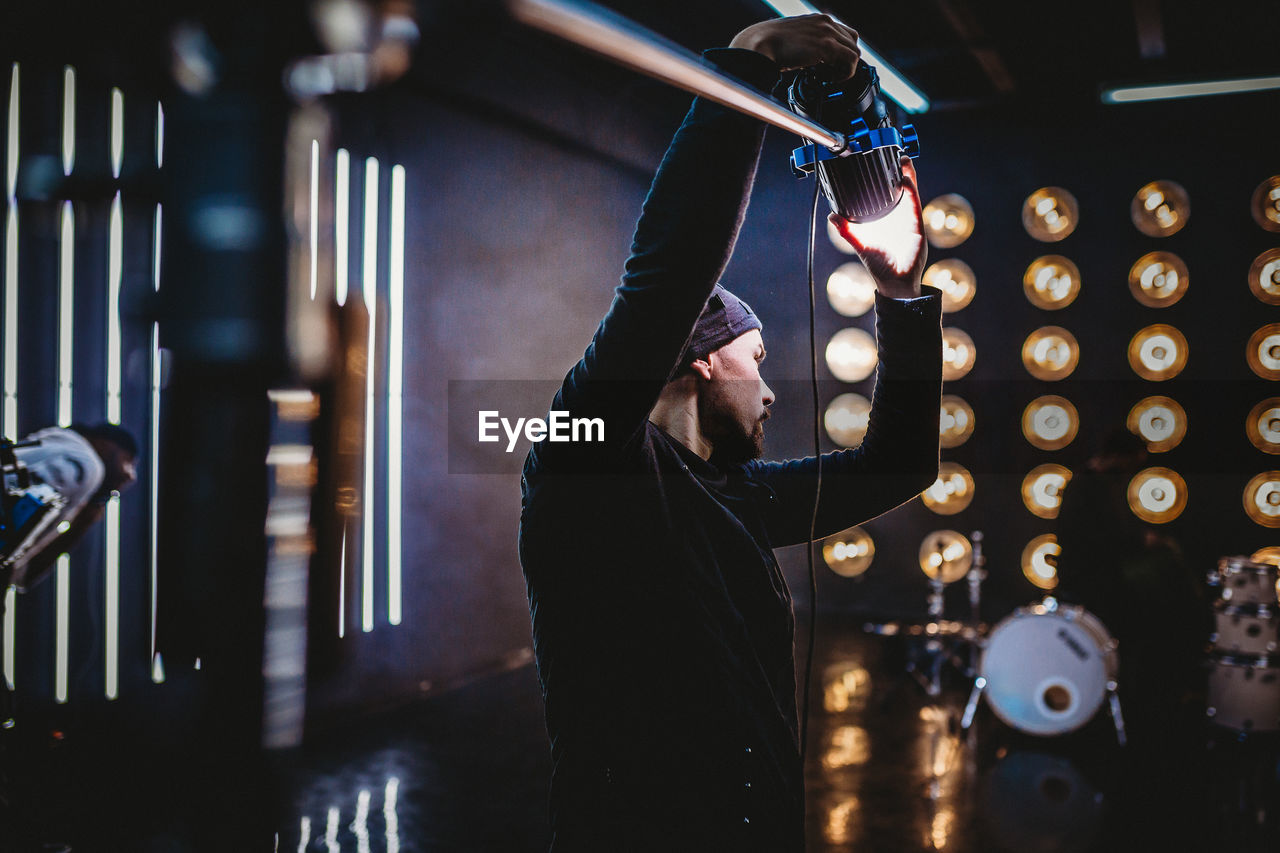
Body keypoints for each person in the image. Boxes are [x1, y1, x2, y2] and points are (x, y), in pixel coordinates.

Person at [518, 15, 941, 851]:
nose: (772, 389)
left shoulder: (734, 496)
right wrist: (748, 65)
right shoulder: (582, 461)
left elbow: (897, 463)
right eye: (756, 358)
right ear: (704, 362)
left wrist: (901, 295)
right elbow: (664, 282)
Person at [2, 422, 139, 594]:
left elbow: (20, 574)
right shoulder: (84, 464)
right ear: (105, 445)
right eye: (129, 462)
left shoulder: (59, 452)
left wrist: (82, 524)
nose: (130, 476)